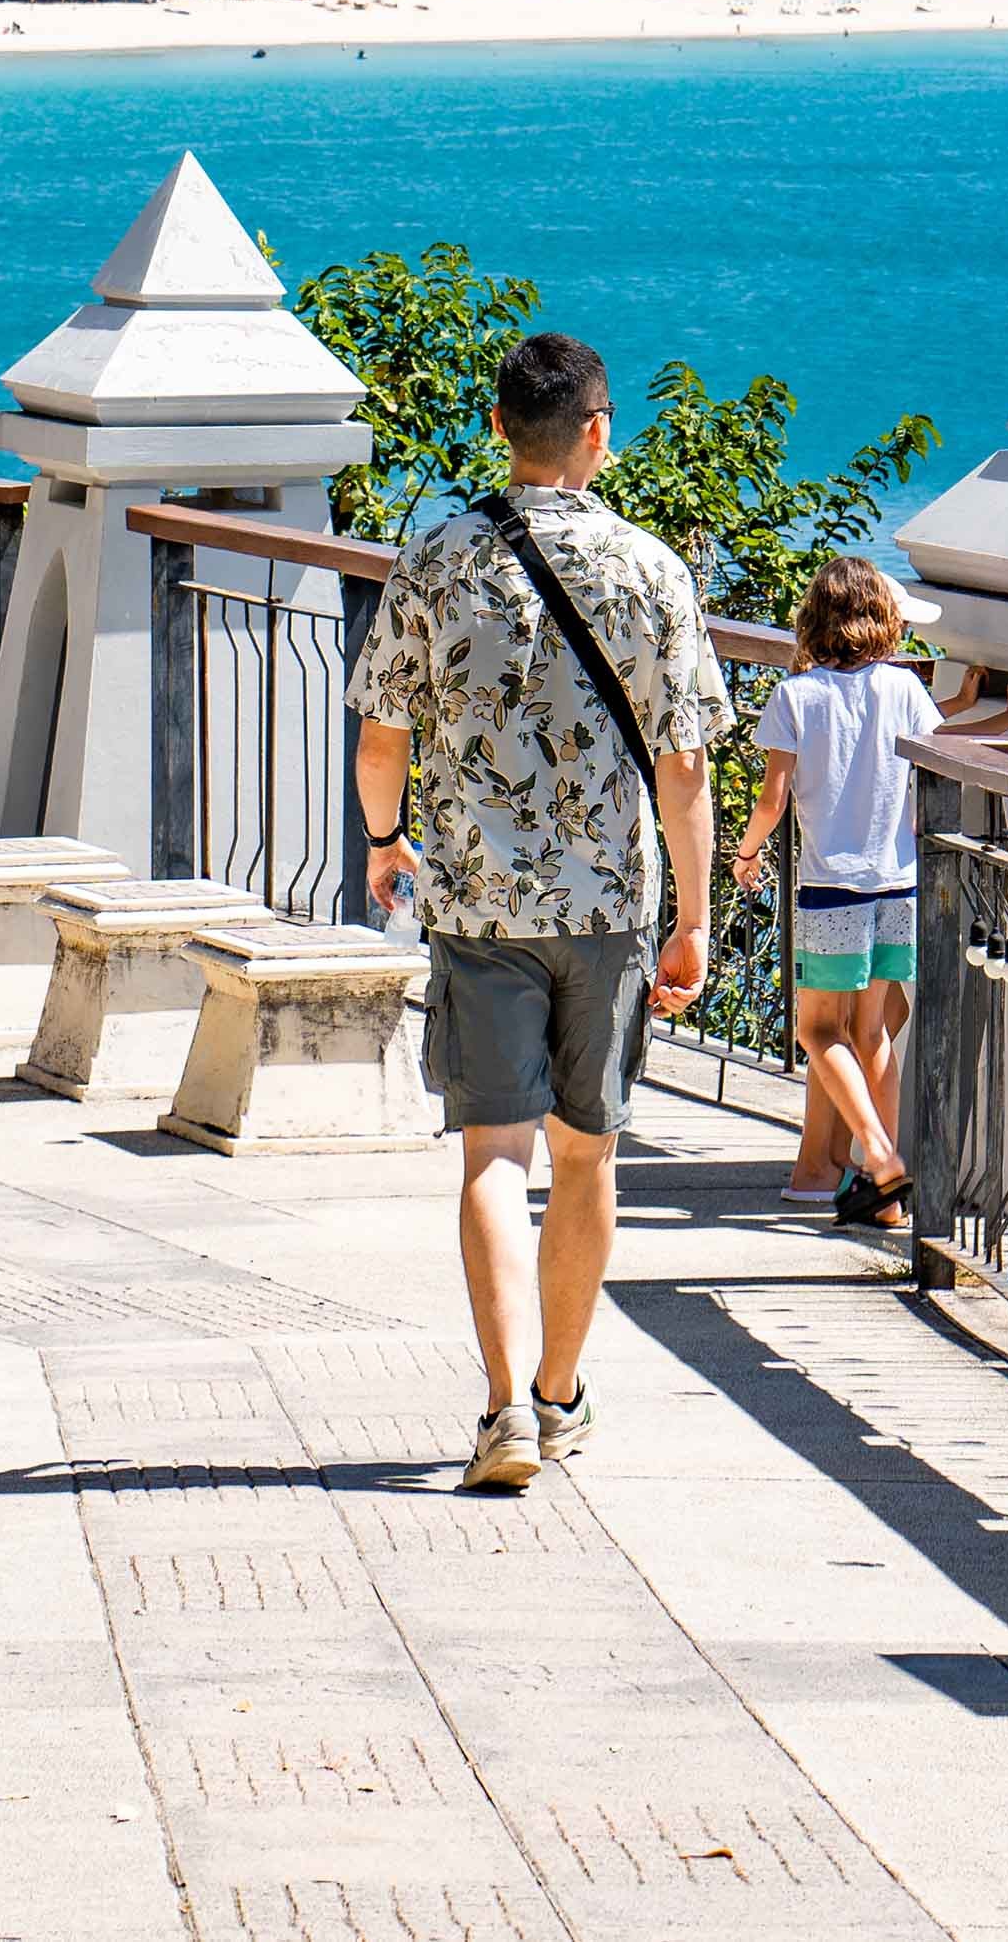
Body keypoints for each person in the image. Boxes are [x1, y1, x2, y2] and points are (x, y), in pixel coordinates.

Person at [347, 332, 729, 1493]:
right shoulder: (652, 571)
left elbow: (380, 735)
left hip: (476, 899)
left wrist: (382, 841)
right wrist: (693, 916)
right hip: (610, 905)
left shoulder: (438, 557)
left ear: (503, 429)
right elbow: (685, 766)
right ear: (598, 431)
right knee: (587, 1149)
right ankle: (560, 1393)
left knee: (492, 1153)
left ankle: (505, 1406)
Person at [728, 557, 939, 1229]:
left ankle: (877, 1154)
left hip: (832, 885)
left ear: (814, 616)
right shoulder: (904, 688)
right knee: (870, 1029)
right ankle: (885, 1197)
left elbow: (773, 797)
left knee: (817, 1029)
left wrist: (747, 850)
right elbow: (938, 748)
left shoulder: (797, 696)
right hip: (896, 882)